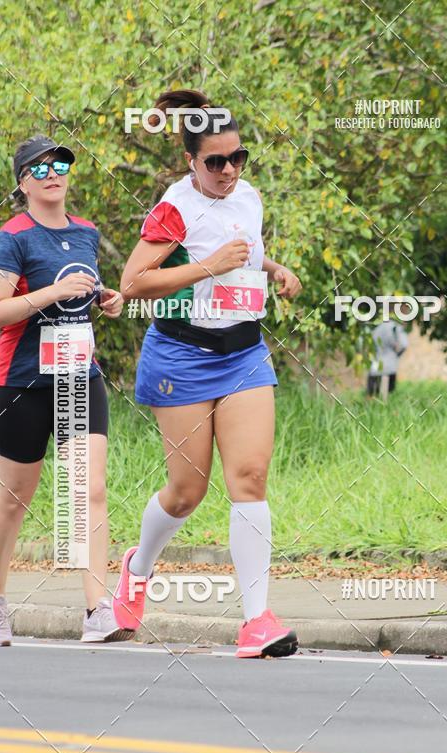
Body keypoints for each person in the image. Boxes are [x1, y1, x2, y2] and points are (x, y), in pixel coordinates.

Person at [116, 88, 302, 658]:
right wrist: (205, 267)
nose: (228, 170)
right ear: (191, 161)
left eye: (237, 157)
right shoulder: (174, 208)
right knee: (186, 493)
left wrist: (273, 266)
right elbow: (133, 283)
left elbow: (239, 250)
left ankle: (256, 621)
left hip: (244, 352)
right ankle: (137, 565)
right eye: (215, 161)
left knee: (249, 477)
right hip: (183, 357)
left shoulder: (249, 195)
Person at [0, 134, 126, 647]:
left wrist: (104, 298)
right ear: (22, 183)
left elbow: (78, 294)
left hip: (77, 375)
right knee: (14, 497)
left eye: (60, 163)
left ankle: (96, 610)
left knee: (88, 490)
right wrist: (50, 292)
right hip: (20, 385)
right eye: (40, 169)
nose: (53, 173)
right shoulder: (12, 238)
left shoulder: (86, 232)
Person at [366, 310, 409, 398]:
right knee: (387, 398)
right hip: (389, 367)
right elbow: (404, 345)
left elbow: (369, 345)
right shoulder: (395, 328)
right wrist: (396, 354)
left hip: (375, 367)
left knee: (372, 397)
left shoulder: (376, 328)